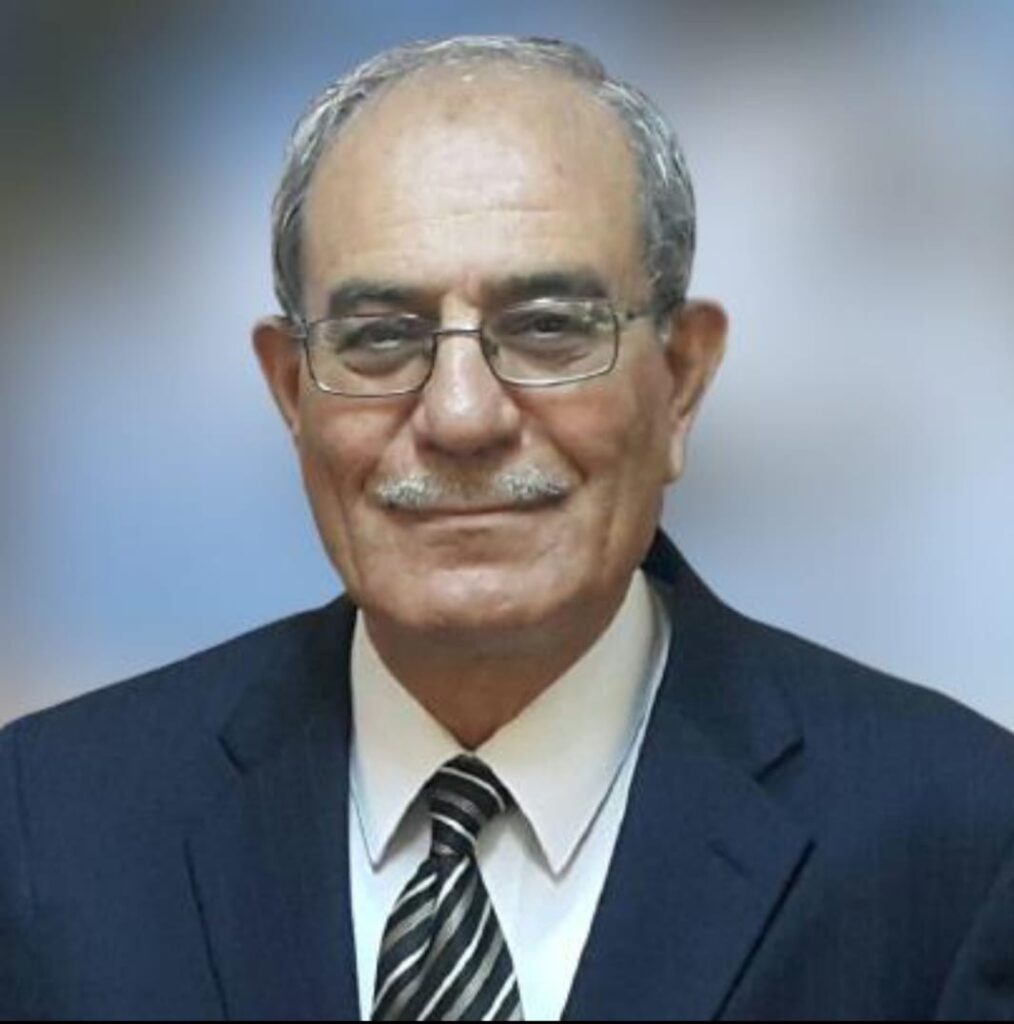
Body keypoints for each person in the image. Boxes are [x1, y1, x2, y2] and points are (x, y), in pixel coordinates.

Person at [2, 34, 1013, 1022]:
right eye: (380, 337)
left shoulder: (958, 842)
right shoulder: (49, 827)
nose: (461, 416)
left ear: (682, 381)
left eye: (546, 328)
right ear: (289, 392)